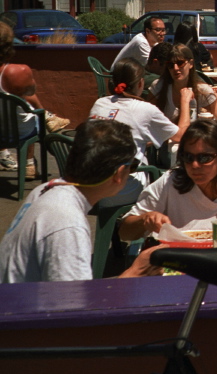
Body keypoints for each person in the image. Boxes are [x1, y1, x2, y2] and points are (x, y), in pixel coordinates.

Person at [0, 120, 163, 282]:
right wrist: (134, 273)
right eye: (132, 165)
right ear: (119, 174)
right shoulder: (68, 223)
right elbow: (72, 303)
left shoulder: (44, 190)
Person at [118, 119, 217, 241]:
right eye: (188, 157)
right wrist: (145, 220)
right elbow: (125, 233)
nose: (195, 165)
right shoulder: (170, 181)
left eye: (204, 158)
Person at [88, 58, 186, 182]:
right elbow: (181, 136)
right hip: (123, 184)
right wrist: (185, 101)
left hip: (92, 179)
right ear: (140, 83)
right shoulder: (145, 109)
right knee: (171, 181)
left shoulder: (99, 103)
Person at [0, 22, 70, 178]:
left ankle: (5, 155)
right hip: (18, 132)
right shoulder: (18, 71)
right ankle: (29, 164)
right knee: (30, 113)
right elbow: (30, 91)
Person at [146, 43, 217, 128]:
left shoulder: (203, 91)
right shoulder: (158, 86)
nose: (175, 68)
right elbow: (147, 120)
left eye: (180, 63)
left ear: (191, 64)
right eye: (170, 65)